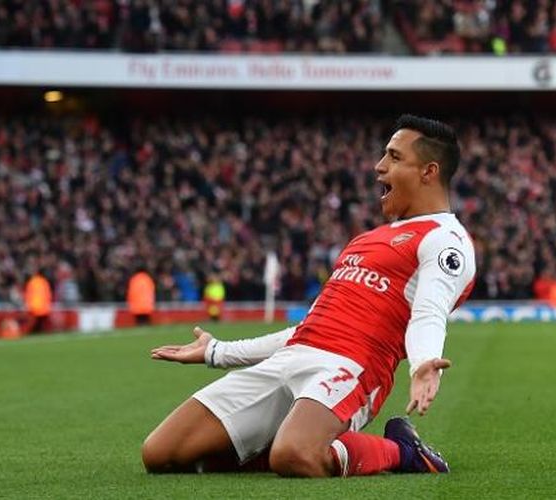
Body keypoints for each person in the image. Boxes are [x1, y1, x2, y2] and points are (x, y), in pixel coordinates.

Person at [142, 115, 477, 478]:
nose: (379, 167)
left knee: (296, 456)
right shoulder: (363, 241)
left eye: (394, 158)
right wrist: (216, 352)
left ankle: (402, 451)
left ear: (429, 171)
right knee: (161, 453)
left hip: (351, 367)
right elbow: (308, 329)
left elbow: (428, 311)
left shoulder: (446, 240)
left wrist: (424, 360)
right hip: (290, 358)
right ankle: (280, 445)